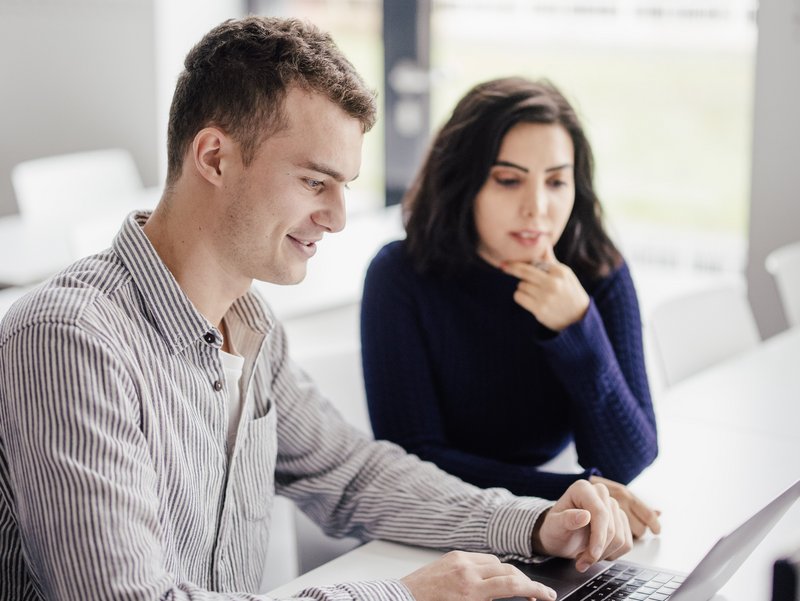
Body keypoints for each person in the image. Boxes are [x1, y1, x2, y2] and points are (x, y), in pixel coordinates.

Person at [0, 18, 632, 601]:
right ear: (214, 157)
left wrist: (534, 523)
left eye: (344, 187)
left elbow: (354, 475)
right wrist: (402, 596)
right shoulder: (70, 339)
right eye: (313, 182)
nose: (335, 218)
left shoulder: (250, 329)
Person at [361, 77, 661, 539]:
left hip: (555, 531)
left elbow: (629, 458)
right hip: (438, 528)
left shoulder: (597, 270)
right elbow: (415, 456)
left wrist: (578, 328)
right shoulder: (401, 275)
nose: (537, 208)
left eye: (557, 181)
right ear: (465, 183)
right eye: (508, 180)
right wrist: (567, 495)